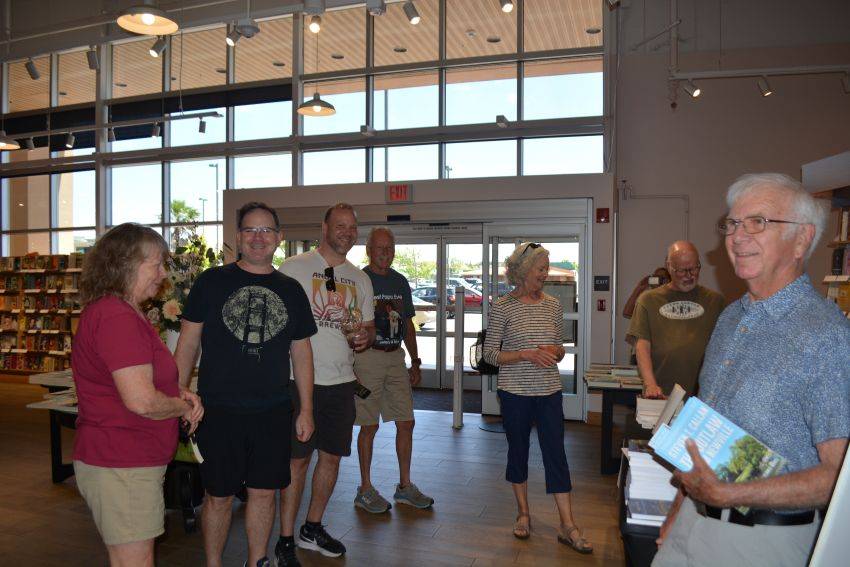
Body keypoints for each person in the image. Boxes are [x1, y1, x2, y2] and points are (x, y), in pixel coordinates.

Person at [653, 173, 850, 567]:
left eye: (757, 222)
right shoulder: (730, 318)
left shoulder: (825, 335)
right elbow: (707, 432)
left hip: (762, 543)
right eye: (732, 223)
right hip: (694, 522)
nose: (736, 237)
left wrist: (728, 495)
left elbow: (839, 478)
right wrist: (680, 505)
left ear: (801, 239)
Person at [174, 202, 317, 567]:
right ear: (237, 237)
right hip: (218, 411)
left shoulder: (291, 290)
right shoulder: (211, 281)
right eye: (250, 230)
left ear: (278, 238)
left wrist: (307, 410)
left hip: (272, 410)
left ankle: (257, 561)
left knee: (264, 493)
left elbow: (301, 354)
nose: (258, 237)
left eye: (266, 230)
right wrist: (178, 397)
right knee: (218, 496)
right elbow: (187, 344)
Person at [72, 223, 203, 567]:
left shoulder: (121, 310)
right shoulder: (117, 316)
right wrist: (180, 407)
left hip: (123, 460)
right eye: (156, 264)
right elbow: (141, 401)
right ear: (126, 263)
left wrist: (178, 393)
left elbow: (135, 380)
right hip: (122, 461)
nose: (163, 274)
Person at [277, 203, 375, 565]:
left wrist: (365, 337)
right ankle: (285, 538)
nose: (347, 232)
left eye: (352, 227)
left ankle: (312, 526)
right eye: (340, 226)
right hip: (298, 381)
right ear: (324, 227)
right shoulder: (293, 269)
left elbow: (366, 327)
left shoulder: (360, 278)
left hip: (341, 382)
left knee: (331, 458)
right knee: (297, 462)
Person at [482, 242, 592, 554]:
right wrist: (525, 354)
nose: (545, 274)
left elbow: (559, 346)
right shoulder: (503, 306)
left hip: (549, 393)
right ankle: (523, 514)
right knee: (518, 451)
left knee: (556, 453)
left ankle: (567, 524)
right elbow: (490, 353)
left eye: (546, 267)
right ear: (521, 271)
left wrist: (554, 352)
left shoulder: (553, 305)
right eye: (540, 269)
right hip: (515, 393)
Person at [352, 227, 434, 514]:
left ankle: (404, 487)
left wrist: (415, 360)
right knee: (369, 425)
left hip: (395, 357)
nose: (385, 253)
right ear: (369, 250)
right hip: (367, 359)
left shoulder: (400, 281)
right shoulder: (360, 280)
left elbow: (408, 324)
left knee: (406, 422)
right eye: (379, 248)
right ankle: (364, 488)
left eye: (389, 248)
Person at [626, 241, 724, 397]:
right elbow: (642, 346)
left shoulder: (715, 301)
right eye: (682, 270)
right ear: (669, 267)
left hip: (702, 396)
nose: (689, 276)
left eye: (694, 269)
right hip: (660, 392)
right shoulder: (648, 300)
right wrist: (650, 384)